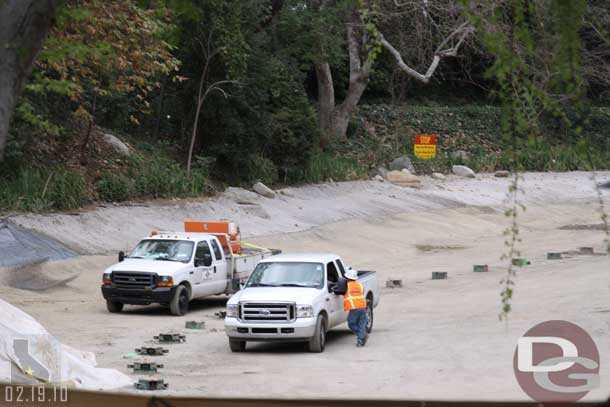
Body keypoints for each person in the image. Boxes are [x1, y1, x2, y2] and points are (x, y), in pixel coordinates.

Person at [343, 267, 368, 347]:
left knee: (351, 323)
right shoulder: (360, 285)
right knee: (361, 324)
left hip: (354, 308)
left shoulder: (346, 286)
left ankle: (361, 336)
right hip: (363, 307)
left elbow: (341, 291)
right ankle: (361, 337)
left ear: (347, 278)